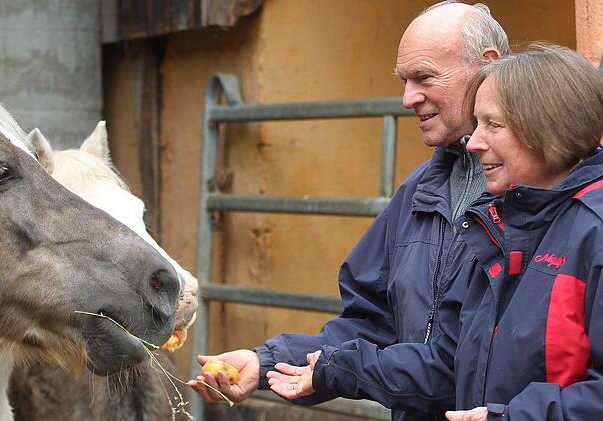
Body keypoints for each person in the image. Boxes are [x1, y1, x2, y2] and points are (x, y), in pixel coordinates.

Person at [189, 2, 509, 420]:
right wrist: (267, 362)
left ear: (487, 68)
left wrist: (337, 371)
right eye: (404, 80)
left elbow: (470, 365)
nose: (408, 97)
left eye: (424, 77)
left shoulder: (537, 198)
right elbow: (371, 323)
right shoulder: (418, 193)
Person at [266, 43, 603, 421]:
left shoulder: (593, 231)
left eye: (493, 124)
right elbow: (450, 363)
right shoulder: (495, 227)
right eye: (476, 124)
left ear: (548, 126)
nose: (474, 142)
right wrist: (337, 369)